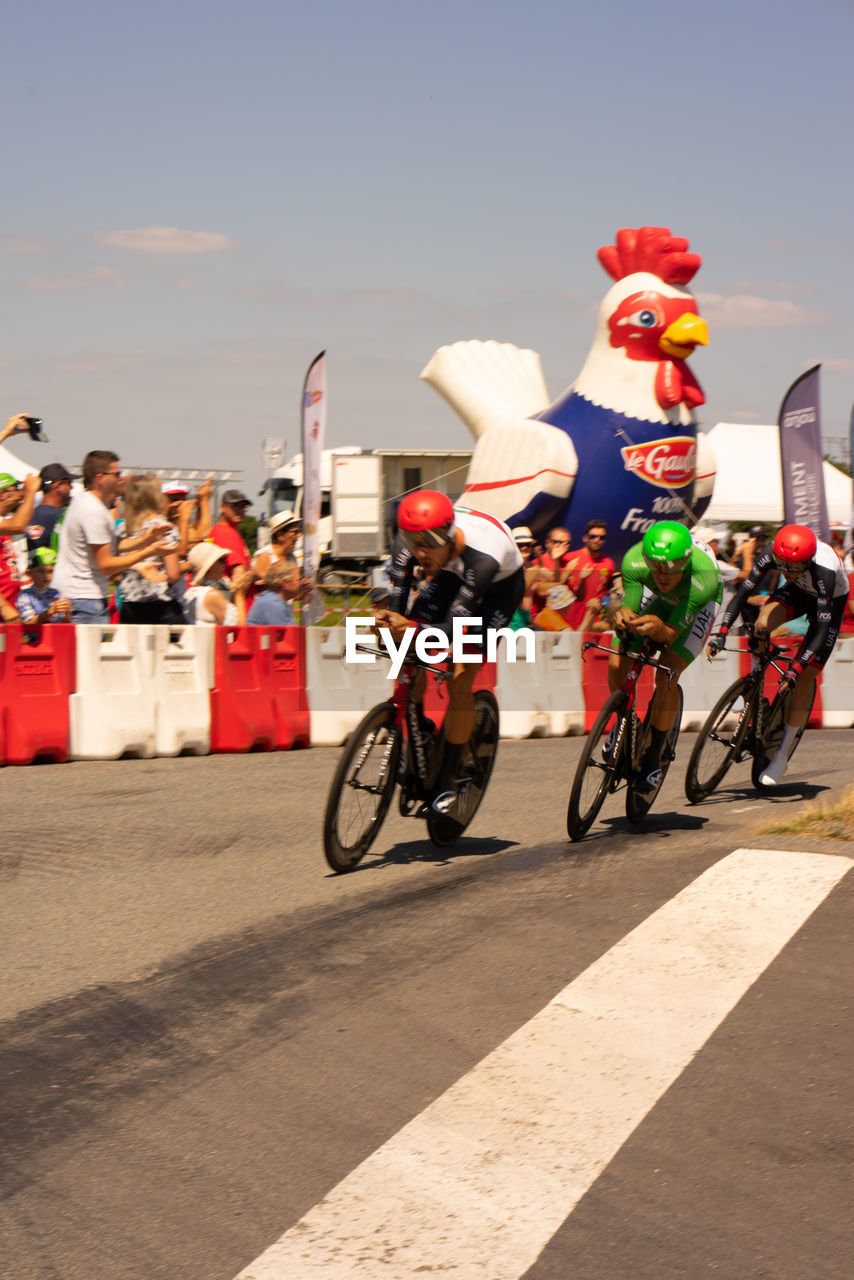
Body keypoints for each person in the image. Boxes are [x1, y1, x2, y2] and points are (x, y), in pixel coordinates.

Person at [375, 490, 524, 816]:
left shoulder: (484, 558)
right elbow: (398, 600)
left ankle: (447, 776)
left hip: (498, 587)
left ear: (448, 534)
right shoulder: (411, 543)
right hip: (451, 572)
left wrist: (411, 630)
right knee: (406, 654)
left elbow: (456, 628)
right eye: (414, 542)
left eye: (428, 542)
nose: (420, 551)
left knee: (460, 677)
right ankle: (419, 729)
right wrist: (391, 625)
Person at [708, 523, 849, 785]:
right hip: (798, 593)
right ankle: (755, 688)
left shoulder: (825, 570)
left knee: (805, 676)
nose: (786, 572)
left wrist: (796, 668)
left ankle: (782, 754)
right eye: (783, 567)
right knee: (761, 624)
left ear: (807, 560)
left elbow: (819, 631)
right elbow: (744, 592)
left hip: (828, 602)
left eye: (793, 568)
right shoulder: (773, 552)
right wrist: (722, 631)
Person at [609, 521, 723, 797]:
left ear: (684, 560)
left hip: (695, 606)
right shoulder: (635, 560)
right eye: (655, 564)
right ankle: (626, 722)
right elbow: (631, 605)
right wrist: (623, 617)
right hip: (664, 599)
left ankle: (654, 756)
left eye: (670, 566)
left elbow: (671, 632)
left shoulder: (702, 579)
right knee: (618, 658)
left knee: (667, 673)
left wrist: (659, 630)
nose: (661, 572)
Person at [52, 451, 173, 624]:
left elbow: (113, 544)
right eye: (116, 474)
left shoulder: (88, 501)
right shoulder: (93, 511)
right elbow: (106, 566)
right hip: (83, 599)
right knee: (87, 651)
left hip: (80, 597)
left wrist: (145, 540)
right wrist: (146, 553)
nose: (120, 478)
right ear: (100, 478)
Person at [117, 474, 185, 624]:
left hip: (131, 607)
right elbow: (173, 574)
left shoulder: (122, 529)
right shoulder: (164, 528)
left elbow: (116, 572)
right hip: (162, 607)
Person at [252, 510, 313, 608]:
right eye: (294, 532)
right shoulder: (265, 556)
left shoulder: (292, 557)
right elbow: (262, 593)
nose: (299, 535)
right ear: (280, 535)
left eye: (299, 531)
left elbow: (292, 597)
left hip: (284, 614)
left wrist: (302, 590)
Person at [563, 519, 615, 630]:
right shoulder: (569, 558)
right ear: (585, 538)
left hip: (593, 625)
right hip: (567, 624)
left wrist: (602, 602)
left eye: (601, 537)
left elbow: (607, 593)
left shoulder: (609, 564)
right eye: (593, 536)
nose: (597, 540)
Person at [0, 472, 40, 609]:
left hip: (13, 598)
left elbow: (3, 508)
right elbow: (18, 526)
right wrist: (30, 492)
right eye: (14, 488)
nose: (18, 491)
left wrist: (22, 493)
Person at [184, 542, 244, 625]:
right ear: (210, 566)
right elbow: (239, 628)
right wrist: (239, 594)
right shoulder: (212, 595)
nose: (225, 563)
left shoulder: (190, 593)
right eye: (221, 559)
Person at [26, 463, 79, 556]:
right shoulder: (64, 516)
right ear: (58, 486)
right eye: (69, 483)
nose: (71, 487)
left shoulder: (28, 515)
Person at [526, 527, 575, 623]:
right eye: (558, 542)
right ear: (547, 543)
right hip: (540, 621)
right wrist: (565, 574)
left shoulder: (567, 564)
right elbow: (541, 592)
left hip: (562, 621)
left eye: (566, 543)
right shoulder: (537, 563)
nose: (563, 546)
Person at [16, 548, 72, 624]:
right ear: (29, 573)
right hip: (36, 636)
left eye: (50, 571)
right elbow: (28, 623)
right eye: (40, 571)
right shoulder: (25, 595)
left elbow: (65, 623)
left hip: (56, 634)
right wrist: (50, 611)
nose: (46, 576)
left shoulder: (56, 593)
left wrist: (67, 613)